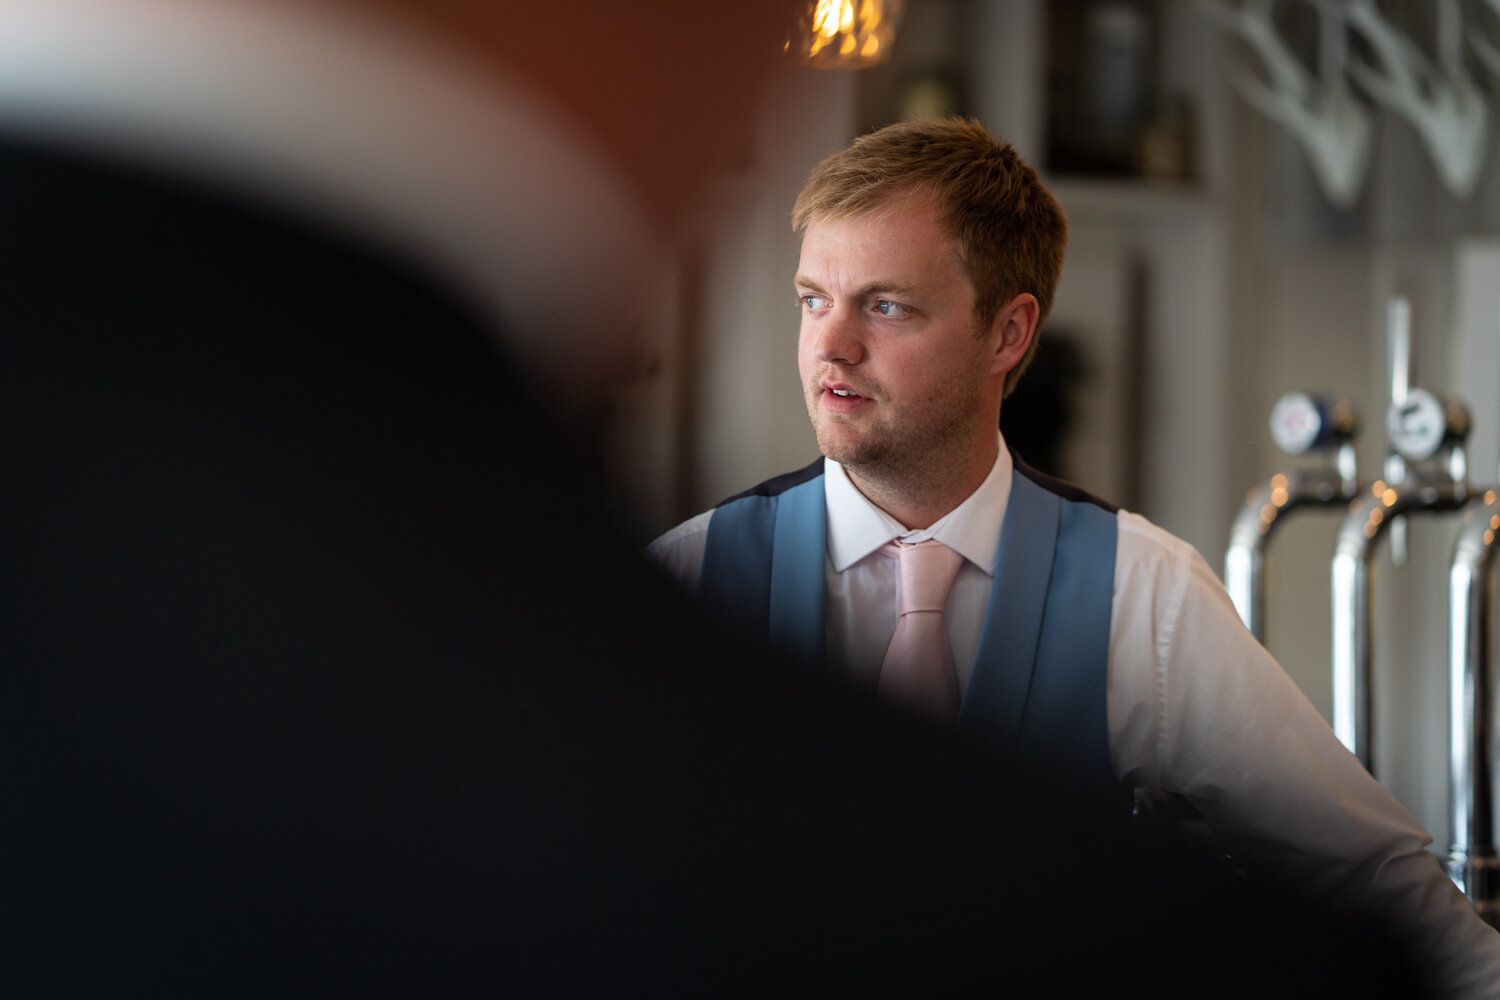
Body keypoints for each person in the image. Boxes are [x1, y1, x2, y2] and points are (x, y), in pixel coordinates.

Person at [647, 116, 1500, 997]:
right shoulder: (685, 579)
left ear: (1009, 334)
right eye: (813, 298)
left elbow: (1365, 874)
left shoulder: (1143, 591)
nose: (831, 344)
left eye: (885, 305)